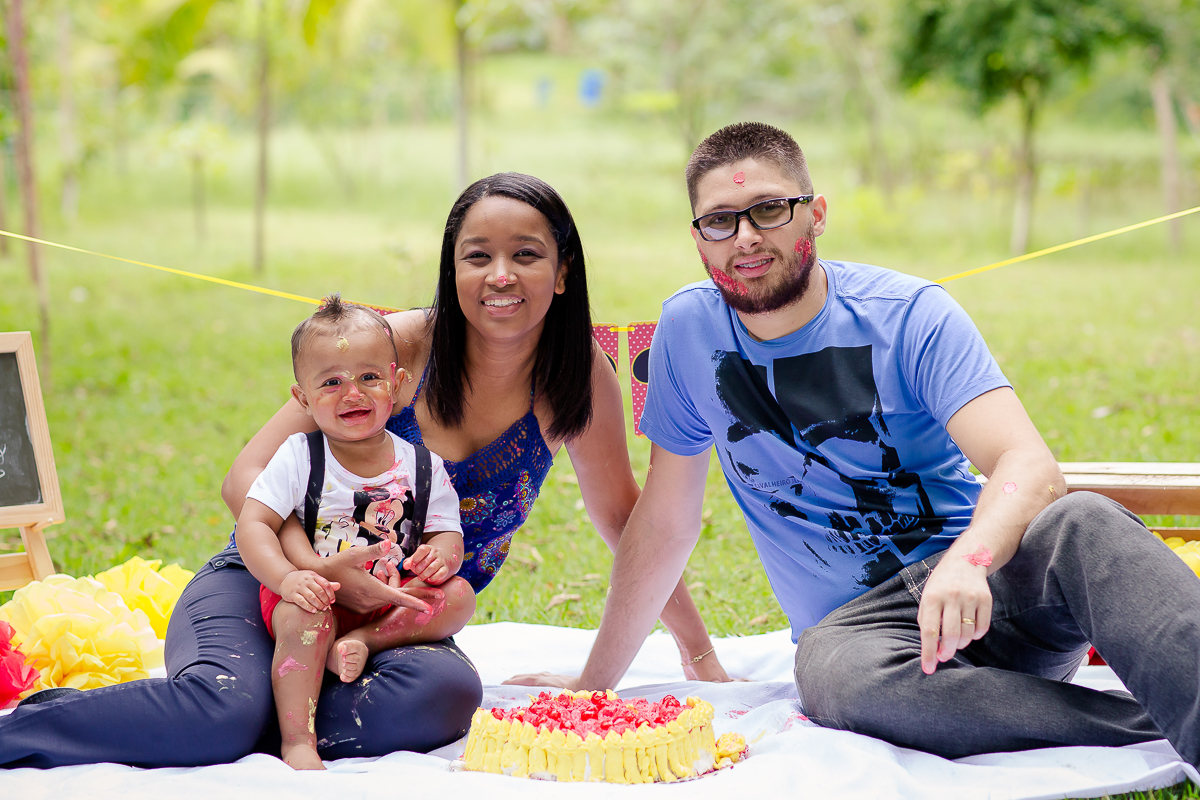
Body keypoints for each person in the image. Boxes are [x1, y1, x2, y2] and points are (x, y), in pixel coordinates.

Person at [510, 122, 1200, 765]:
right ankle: (1146, 729)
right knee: (833, 681)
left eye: (770, 210)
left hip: (991, 588)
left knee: (1085, 521)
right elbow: (662, 523)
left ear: (817, 212)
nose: (745, 237)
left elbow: (1027, 464)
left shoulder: (911, 315)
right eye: (721, 221)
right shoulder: (688, 333)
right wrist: (593, 683)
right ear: (699, 239)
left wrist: (969, 562)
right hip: (863, 638)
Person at [0, 172, 726, 770]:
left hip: (394, 625)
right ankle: (66, 730)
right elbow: (243, 479)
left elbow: (630, 524)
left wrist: (696, 652)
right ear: (453, 268)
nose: (500, 275)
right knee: (224, 704)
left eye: (527, 255)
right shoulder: (394, 351)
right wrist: (310, 571)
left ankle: (271, 716)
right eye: (477, 256)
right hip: (271, 589)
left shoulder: (579, 380)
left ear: (564, 271)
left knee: (442, 698)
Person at [237, 296, 473, 769]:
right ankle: (298, 740)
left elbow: (447, 534)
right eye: (331, 383)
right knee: (306, 624)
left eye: (369, 378)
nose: (353, 393)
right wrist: (286, 580)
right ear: (302, 399)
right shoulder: (300, 456)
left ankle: (364, 641)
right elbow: (253, 523)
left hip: (387, 600)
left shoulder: (423, 466)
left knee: (460, 594)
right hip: (312, 591)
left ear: (397, 384)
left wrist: (440, 558)